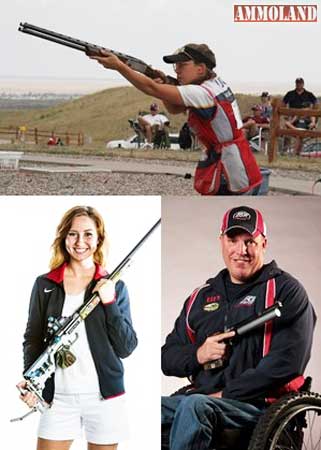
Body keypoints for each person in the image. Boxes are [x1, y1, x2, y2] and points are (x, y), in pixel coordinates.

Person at [161, 205, 316, 450]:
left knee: (193, 406)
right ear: (221, 241)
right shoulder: (200, 298)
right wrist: (199, 354)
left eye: (250, 241)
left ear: (263, 243)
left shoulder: (285, 291)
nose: (241, 250)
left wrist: (224, 395)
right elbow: (167, 357)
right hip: (202, 400)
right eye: (233, 240)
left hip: (258, 406)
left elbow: (286, 363)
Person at [18, 205, 138, 450]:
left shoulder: (115, 287)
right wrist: (31, 379)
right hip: (58, 399)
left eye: (88, 234)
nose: (80, 241)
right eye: (73, 234)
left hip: (104, 398)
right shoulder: (45, 284)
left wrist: (110, 302)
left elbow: (126, 347)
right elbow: (32, 338)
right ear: (64, 237)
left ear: (98, 240)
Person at [89, 44, 262, 195]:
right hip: (234, 164)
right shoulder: (213, 84)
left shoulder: (202, 93)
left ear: (200, 69)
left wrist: (120, 66)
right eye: (176, 66)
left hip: (231, 172)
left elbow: (151, 89)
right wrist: (163, 83)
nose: (177, 70)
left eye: (182, 65)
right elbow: (174, 108)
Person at [282, 78, 318, 155]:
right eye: (297, 83)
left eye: (300, 83)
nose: (299, 84)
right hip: (293, 117)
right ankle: (285, 150)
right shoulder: (290, 93)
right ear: (295, 84)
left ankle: (297, 152)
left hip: (306, 118)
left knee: (300, 133)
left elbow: (316, 104)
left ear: (303, 84)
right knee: (287, 129)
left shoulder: (309, 94)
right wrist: (286, 114)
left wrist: (313, 120)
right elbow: (283, 104)